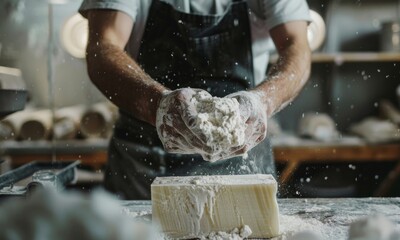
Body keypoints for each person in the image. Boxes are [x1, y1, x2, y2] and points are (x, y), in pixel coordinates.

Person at [79, 0, 311, 200]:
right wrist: (157, 105)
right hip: (142, 161)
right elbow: (103, 47)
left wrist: (262, 101)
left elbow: (297, 47)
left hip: (240, 157)